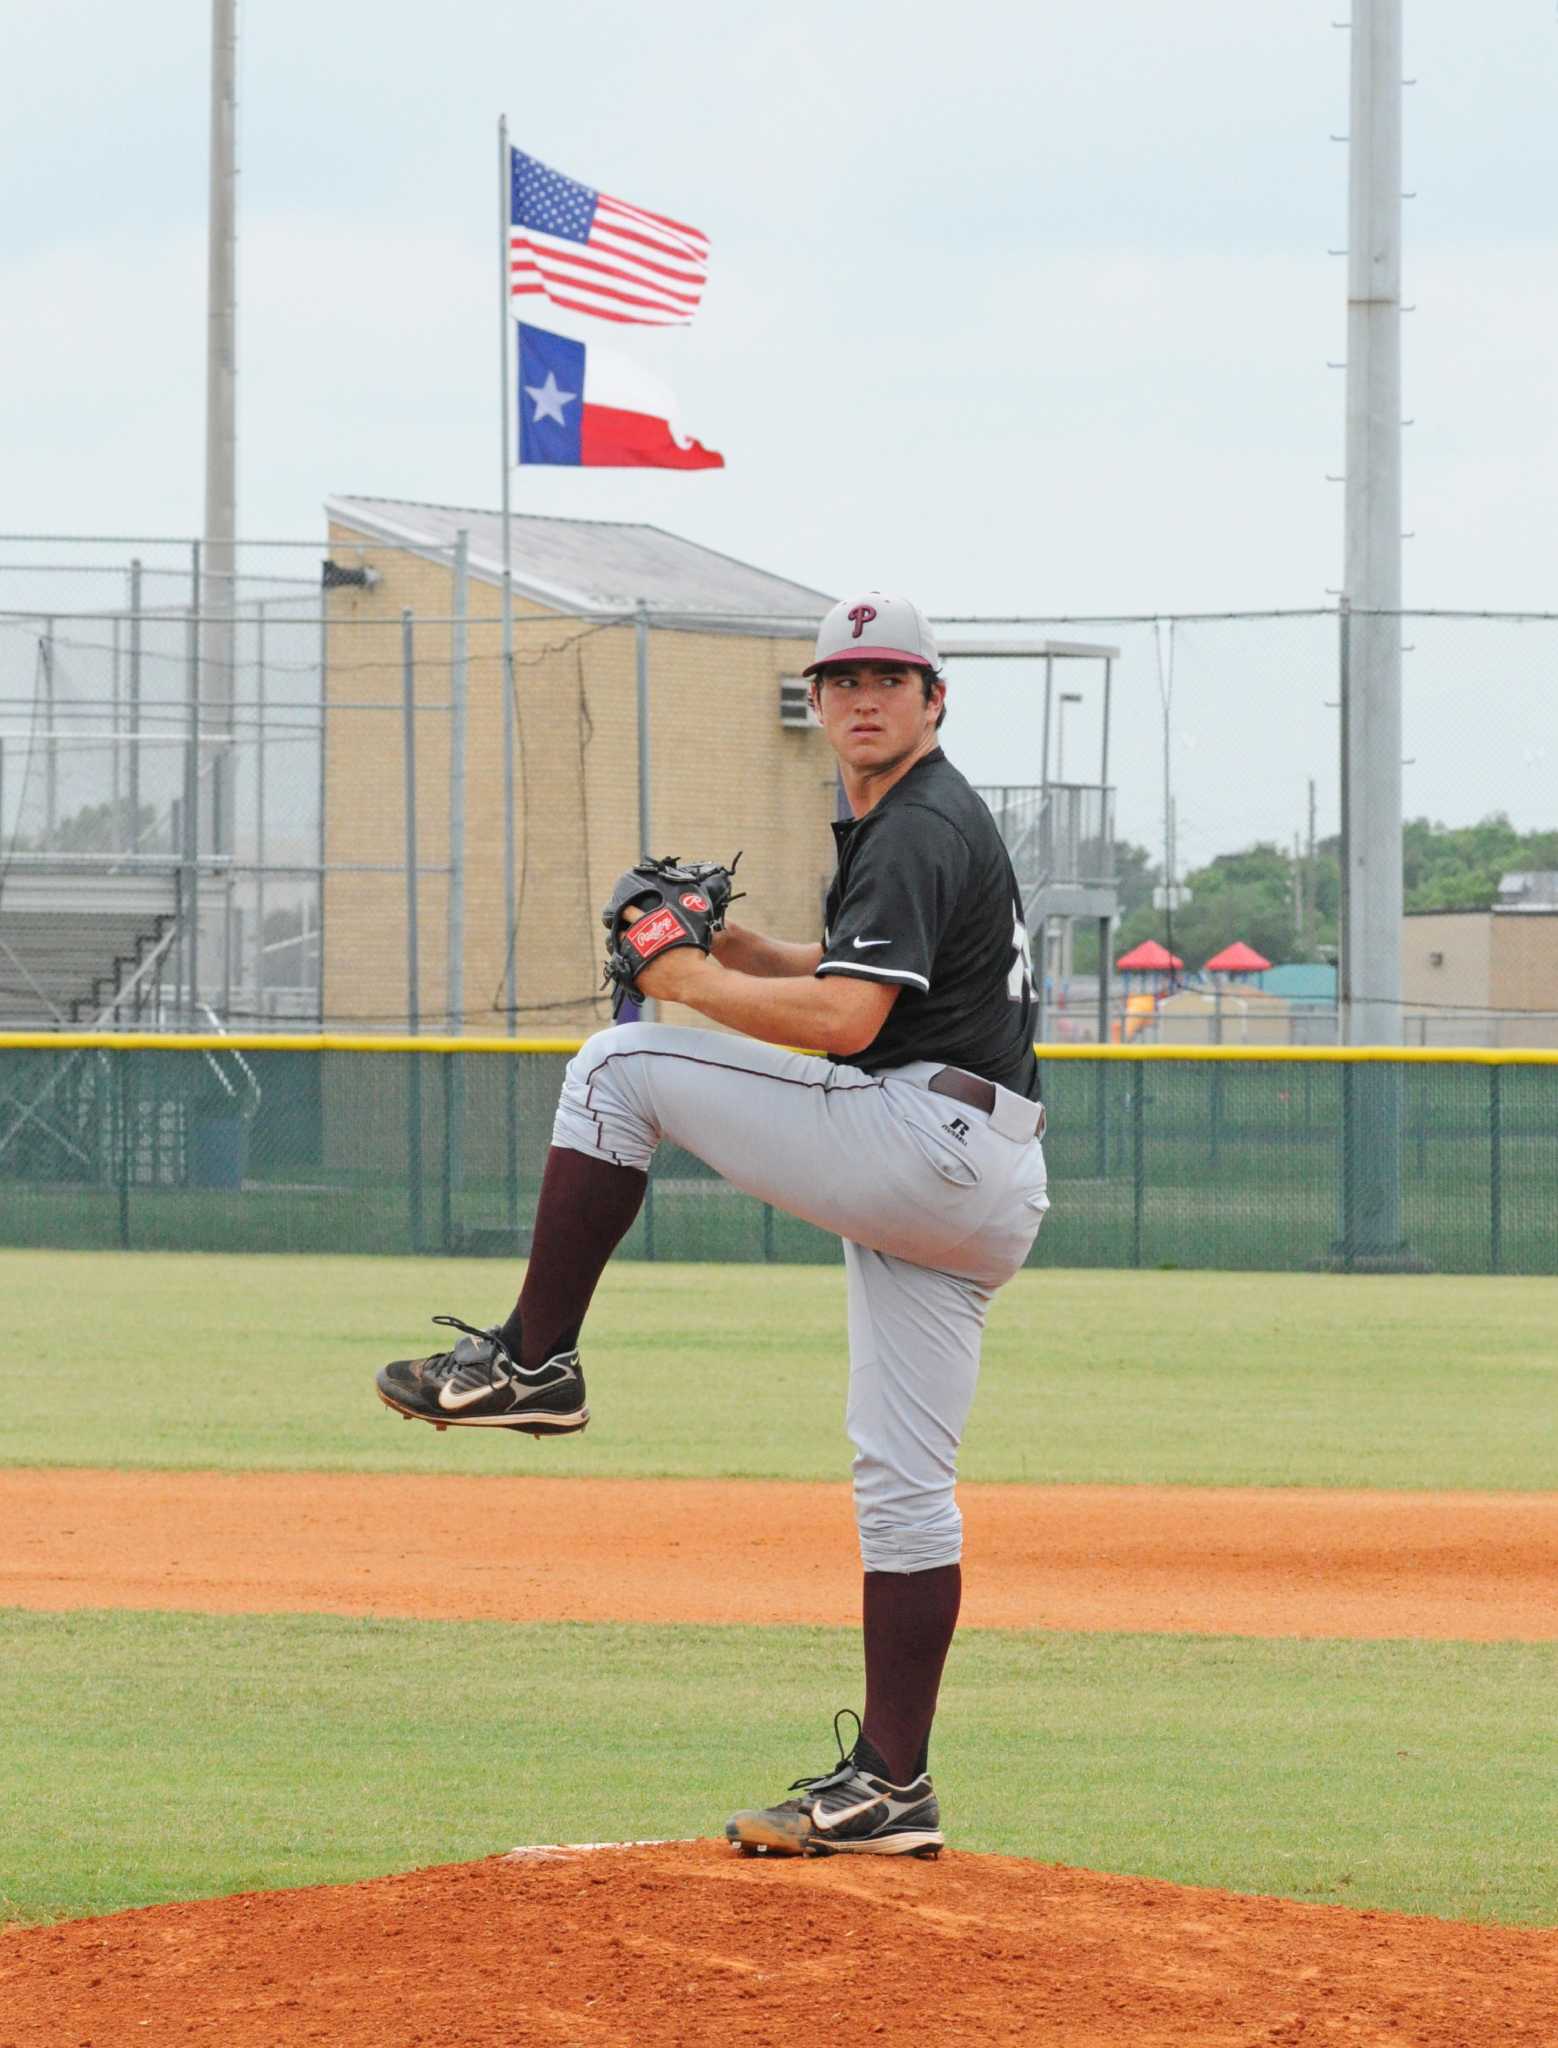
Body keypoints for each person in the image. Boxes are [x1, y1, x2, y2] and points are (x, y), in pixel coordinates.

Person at [376, 591, 1049, 1858]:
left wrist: (681, 974)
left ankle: (533, 1358)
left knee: (616, 1066)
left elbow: (845, 1024)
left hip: (923, 1139)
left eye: (889, 679)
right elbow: (846, 976)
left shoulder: (915, 822)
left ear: (934, 698)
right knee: (903, 1486)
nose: (863, 697)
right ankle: (892, 1785)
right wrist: (735, 944)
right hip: (979, 1177)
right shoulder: (916, 818)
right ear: (818, 699)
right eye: (842, 678)